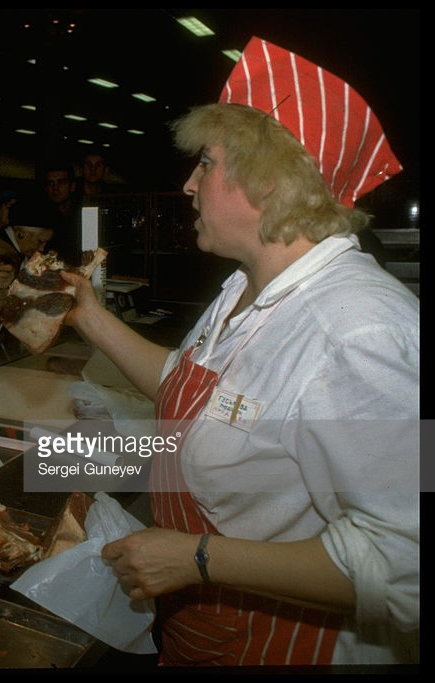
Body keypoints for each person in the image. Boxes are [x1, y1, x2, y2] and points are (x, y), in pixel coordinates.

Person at [61, 37, 418, 666]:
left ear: (269, 180)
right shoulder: (245, 287)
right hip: (209, 632)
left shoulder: (358, 333)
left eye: (205, 163)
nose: (188, 183)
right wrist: (88, 318)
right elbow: (190, 385)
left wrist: (196, 558)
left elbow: (405, 566)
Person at [41, 158, 84, 264]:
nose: (55, 188)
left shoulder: (83, 216)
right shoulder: (41, 217)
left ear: (72, 187)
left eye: (61, 182)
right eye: (50, 183)